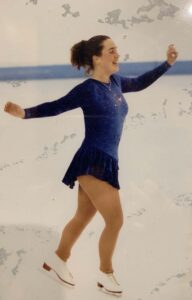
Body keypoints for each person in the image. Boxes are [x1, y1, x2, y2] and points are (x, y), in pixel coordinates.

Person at [4, 35, 178, 295]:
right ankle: (105, 274)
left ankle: (57, 260)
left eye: (116, 49)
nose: (117, 54)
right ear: (97, 58)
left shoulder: (117, 82)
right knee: (116, 220)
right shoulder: (88, 89)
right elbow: (57, 107)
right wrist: (25, 113)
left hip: (108, 160)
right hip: (93, 159)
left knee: (83, 216)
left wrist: (167, 64)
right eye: (111, 50)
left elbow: (140, 83)